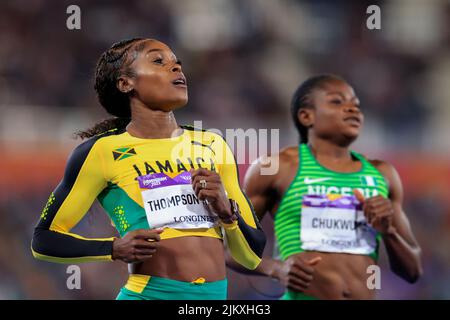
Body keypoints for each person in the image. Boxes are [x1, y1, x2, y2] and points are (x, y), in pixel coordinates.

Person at [31, 38, 266, 300]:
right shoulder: (102, 151)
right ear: (125, 83)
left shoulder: (213, 144)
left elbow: (251, 257)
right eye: (158, 61)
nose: (177, 68)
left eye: (178, 63)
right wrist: (113, 248)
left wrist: (228, 215)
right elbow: (44, 240)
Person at [232, 74, 423, 299]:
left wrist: (388, 231)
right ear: (306, 116)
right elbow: (228, 249)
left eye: (356, 105)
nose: (352, 109)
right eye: (337, 101)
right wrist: (276, 268)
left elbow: (412, 271)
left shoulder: (382, 174)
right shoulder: (277, 168)